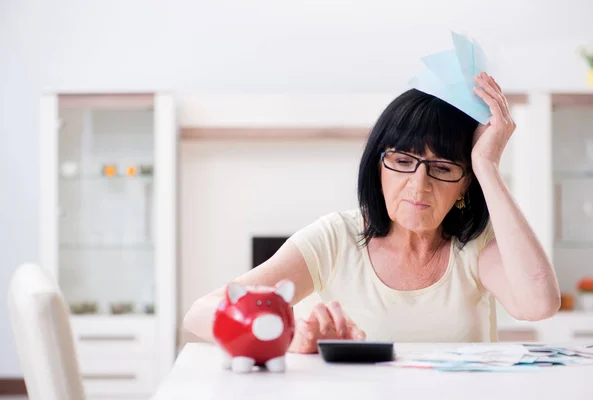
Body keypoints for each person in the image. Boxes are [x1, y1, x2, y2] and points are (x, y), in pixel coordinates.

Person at [182, 73, 560, 353]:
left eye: (443, 168)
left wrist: (488, 167)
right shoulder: (334, 238)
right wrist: (290, 330)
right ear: (377, 166)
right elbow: (201, 313)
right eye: (401, 160)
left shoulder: (476, 245)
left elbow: (539, 304)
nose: (419, 184)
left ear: (466, 182)